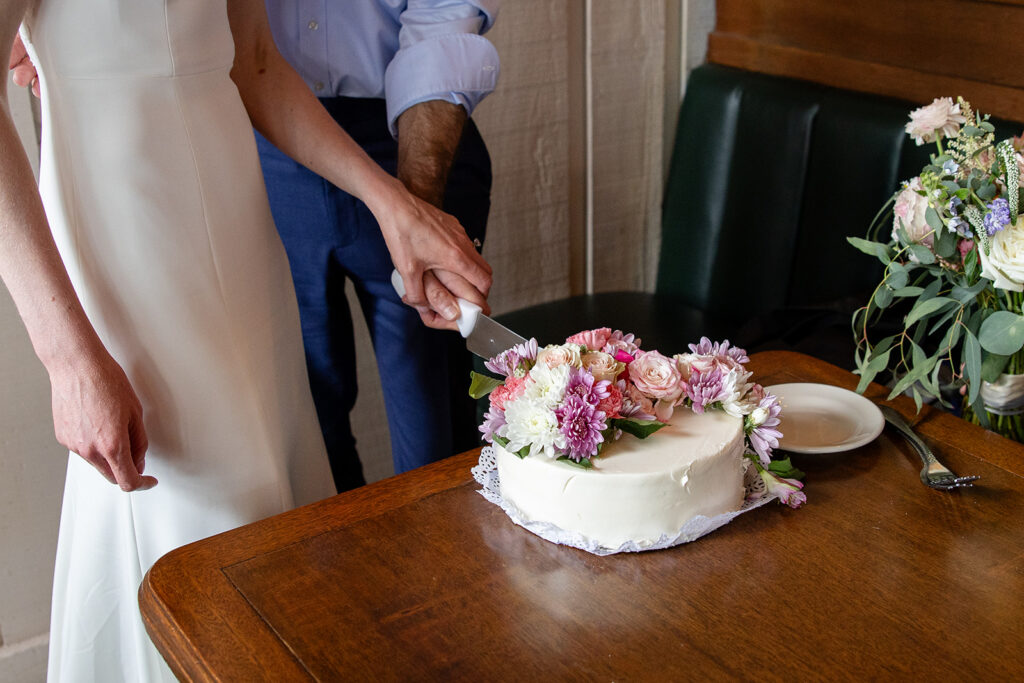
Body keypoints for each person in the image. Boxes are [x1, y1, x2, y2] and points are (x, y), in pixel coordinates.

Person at [0, 0, 490, 680]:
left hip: (240, 235)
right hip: (127, 242)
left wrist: (394, 207)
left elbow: (255, 62)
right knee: (192, 514)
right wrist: (67, 358)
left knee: (275, 492)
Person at [258, 3, 500, 491]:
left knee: (432, 424)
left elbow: (444, 14)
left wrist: (415, 207)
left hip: (412, 129)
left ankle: (445, 559)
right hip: (265, 143)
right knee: (306, 419)